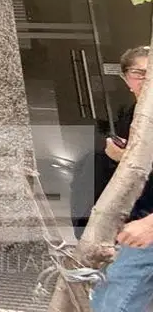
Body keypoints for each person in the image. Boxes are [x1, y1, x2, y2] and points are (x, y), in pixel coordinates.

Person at [90, 45, 153, 312]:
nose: (147, 80)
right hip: (135, 220)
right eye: (140, 73)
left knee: (116, 297)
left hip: (146, 228)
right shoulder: (132, 116)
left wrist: (150, 225)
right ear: (127, 79)